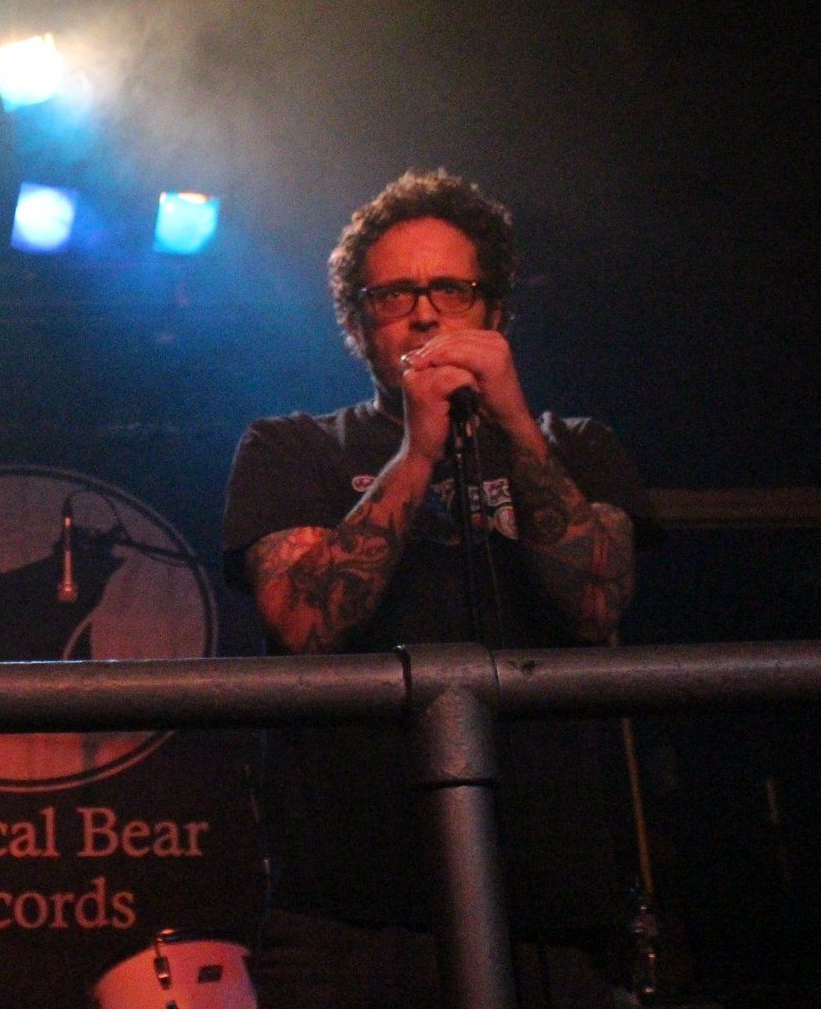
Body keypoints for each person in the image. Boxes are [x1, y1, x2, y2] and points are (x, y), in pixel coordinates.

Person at [221, 169, 655, 1008]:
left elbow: (597, 603)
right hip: (347, 922)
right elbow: (303, 623)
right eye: (393, 296)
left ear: (493, 310)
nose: (425, 314)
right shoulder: (291, 449)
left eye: (450, 290)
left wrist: (516, 427)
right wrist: (416, 454)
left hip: (551, 914)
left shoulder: (580, 444)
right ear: (357, 323)